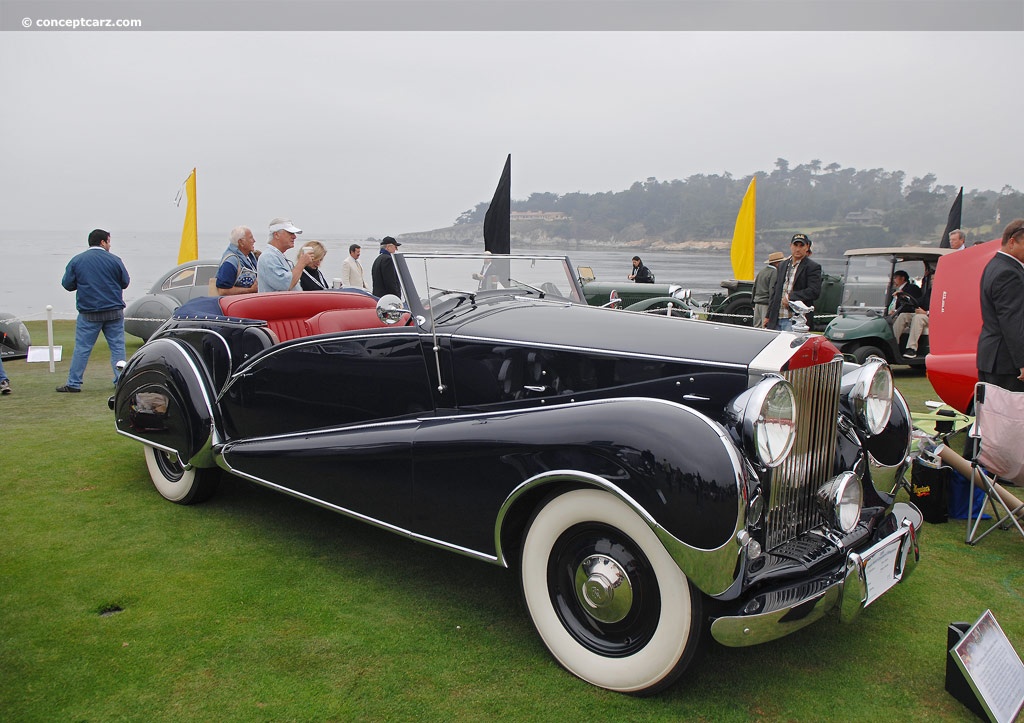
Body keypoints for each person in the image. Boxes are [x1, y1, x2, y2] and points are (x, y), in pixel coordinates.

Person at [57, 228, 131, 393]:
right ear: (103, 242)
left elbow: (67, 284)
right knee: (117, 347)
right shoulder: (115, 260)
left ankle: (74, 382)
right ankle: (120, 379)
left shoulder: (77, 260)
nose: (110, 245)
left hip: (89, 312)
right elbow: (125, 282)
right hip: (114, 310)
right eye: (109, 241)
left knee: (82, 348)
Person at [977, 218, 1024, 393]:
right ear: (1012, 241)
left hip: (993, 358)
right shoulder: (1009, 273)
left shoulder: (994, 265)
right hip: (1006, 363)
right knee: (1010, 418)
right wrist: (1022, 361)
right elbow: (1012, 321)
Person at [765, 233, 822, 331]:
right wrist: (768, 315)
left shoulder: (812, 267)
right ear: (790, 246)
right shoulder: (782, 265)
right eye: (795, 245)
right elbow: (775, 292)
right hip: (776, 318)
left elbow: (814, 291)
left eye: (801, 246)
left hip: (795, 320)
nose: (798, 249)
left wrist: (791, 297)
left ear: (807, 247)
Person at [257, 218, 310, 292]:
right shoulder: (268, 257)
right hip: (275, 303)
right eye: (290, 233)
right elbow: (286, 284)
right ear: (276, 235)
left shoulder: (277, 256)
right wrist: (301, 263)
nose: (294, 237)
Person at [893, 265, 932, 358]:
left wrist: (926, 312)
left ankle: (912, 349)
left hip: (934, 317)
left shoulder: (944, 292)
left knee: (918, 317)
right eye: (931, 279)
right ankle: (894, 344)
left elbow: (943, 309)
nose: (932, 281)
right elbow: (919, 301)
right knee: (903, 316)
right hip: (924, 314)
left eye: (934, 279)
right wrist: (906, 299)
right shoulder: (930, 291)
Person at [214, 226, 259, 296]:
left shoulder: (250, 257)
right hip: (234, 305)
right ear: (241, 242)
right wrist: (250, 290)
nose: (254, 240)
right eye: (250, 238)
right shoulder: (230, 261)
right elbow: (223, 291)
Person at [753, 251, 784, 327]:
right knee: (766, 327)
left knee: (757, 327)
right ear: (777, 263)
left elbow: (754, 287)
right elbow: (772, 291)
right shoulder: (774, 272)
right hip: (766, 304)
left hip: (757, 303)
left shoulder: (761, 272)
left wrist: (753, 303)